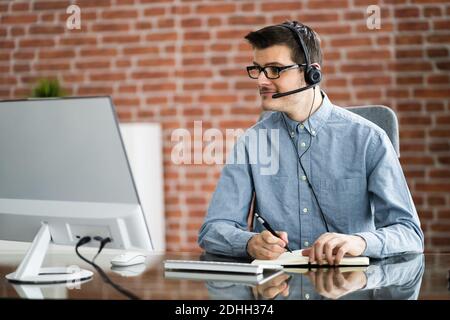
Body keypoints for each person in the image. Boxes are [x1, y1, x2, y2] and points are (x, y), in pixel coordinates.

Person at [198, 21, 424, 265]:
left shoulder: (370, 139)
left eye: (274, 69)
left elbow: (409, 233)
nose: (261, 81)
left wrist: (360, 241)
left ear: (311, 73)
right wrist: (249, 243)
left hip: (349, 287)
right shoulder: (251, 143)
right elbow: (213, 230)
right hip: (278, 289)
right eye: (258, 69)